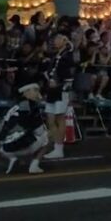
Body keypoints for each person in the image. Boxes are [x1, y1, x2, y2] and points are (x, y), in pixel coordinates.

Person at [0, 83, 49, 174]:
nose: (37, 93)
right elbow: (38, 129)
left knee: (25, 136)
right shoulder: (30, 107)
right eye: (35, 90)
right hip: (22, 147)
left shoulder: (14, 107)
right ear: (26, 92)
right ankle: (34, 166)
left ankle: (13, 159)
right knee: (46, 135)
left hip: (4, 150)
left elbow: (2, 127)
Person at [41, 32, 75, 162]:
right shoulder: (56, 55)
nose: (55, 41)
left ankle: (59, 148)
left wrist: (60, 82)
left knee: (60, 118)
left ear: (64, 40)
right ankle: (56, 145)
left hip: (61, 90)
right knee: (50, 118)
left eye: (58, 39)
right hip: (52, 89)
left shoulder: (67, 55)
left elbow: (69, 73)